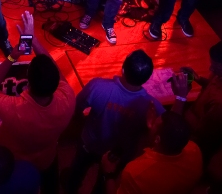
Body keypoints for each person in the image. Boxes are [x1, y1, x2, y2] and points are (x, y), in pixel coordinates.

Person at [0, 11, 74, 193]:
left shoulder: (13, 109)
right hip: (45, 160)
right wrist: (34, 40)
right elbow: (54, 71)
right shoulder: (68, 98)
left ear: (28, 82)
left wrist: (12, 56)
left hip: (11, 164)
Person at [64, 49, 165, 194]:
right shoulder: (151, 105)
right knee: (104, 183)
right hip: (119, 154)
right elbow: (169, 126)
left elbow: (76, 108)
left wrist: (81, 125)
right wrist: (181, 97)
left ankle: (70, 188)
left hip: (90, 144)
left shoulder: (97, 86)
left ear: (123, 69)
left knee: (77, 171)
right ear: (147, 78)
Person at [100, 111, 202, 194]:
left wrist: (109, 173)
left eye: (154, 124)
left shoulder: (135, 173)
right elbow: (172, 133)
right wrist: (153, 130)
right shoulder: (194, 149)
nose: (152, 124)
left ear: (157, 139)